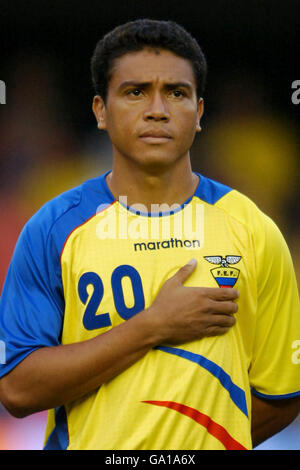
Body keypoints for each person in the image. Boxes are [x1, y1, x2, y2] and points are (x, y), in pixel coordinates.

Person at [0, 19, 299, 451]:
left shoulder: (254, 230)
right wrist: (153, 326)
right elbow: (17, 390)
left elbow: (281, 396)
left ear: (198, 114)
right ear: (100, 111)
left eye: (176, 93)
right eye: (135, 92)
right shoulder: (52, 229)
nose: (157, 109)